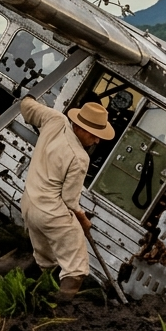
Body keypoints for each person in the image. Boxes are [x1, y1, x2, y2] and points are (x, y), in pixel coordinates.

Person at [18, 96, 115, 302]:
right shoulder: (80, 158)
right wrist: (83, 221)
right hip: (50, 211)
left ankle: (30, 295)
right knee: (77, 266)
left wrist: (29, 98)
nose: (96, 140)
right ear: (80, 127)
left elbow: (27, 107)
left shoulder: (54, 119)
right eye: (94, 135)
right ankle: (61, 308)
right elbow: (70, 201)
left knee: (46, 260)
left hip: (28, 204)